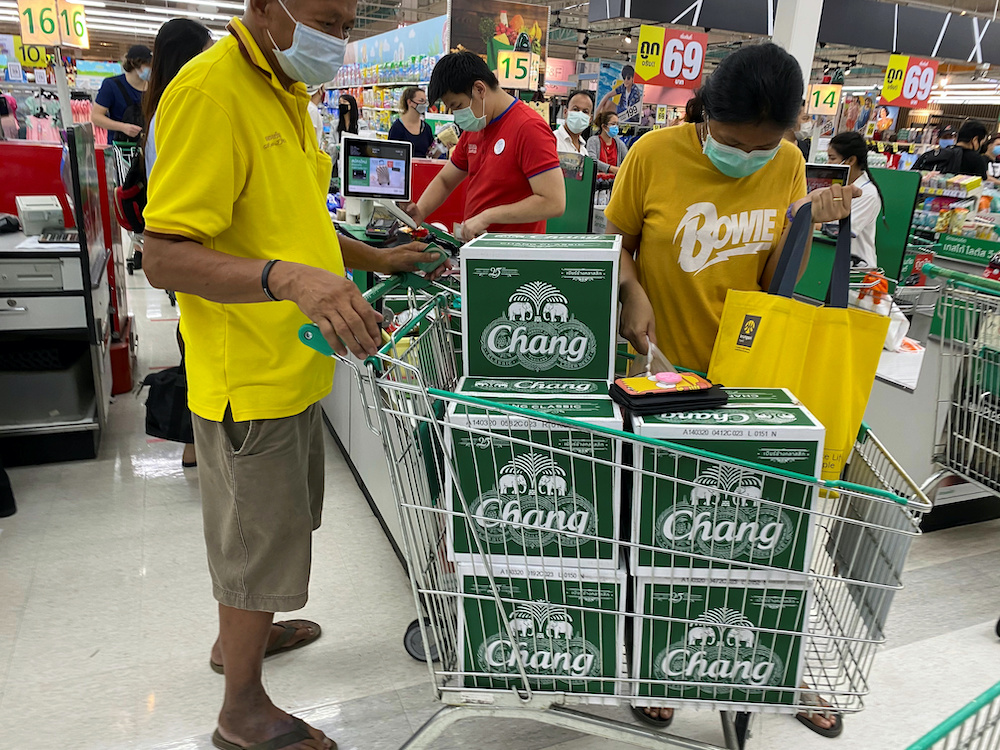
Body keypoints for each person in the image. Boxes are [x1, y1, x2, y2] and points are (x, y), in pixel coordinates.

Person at [141, 0, 449, 747]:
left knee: (276, 532)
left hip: (297, 360)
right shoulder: (211, 92)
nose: (335, 40)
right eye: (323, 19)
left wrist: (374, 258)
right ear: (261, 6)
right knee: (255, 540)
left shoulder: (284, 91)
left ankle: (239, 640)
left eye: (345, 25)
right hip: (248, 369)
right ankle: (241, 709)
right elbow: (164, 255)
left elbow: (296, 219)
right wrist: (287, 280)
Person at [606, 45, 858, 738]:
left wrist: (809, 217)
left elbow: (780, 273)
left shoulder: (785, 163)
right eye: (733, 141)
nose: (748, 155)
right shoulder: (654, 153)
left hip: (749, 377)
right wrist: (631, 293)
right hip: (663, 371)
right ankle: (658, 660)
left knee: (756, 534)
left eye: (765, 143)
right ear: (706, 115)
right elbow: (618, 241)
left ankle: (775, 663)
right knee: (663, 532)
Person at [141, 18, 213, 468]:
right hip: (191, 253)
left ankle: (194, 439)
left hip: (184, 251)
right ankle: (193, 440)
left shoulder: (158, 111)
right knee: (197, 341)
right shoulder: (184, 110)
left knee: (192, 334)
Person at [406, 51, 565, 238]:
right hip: (477, 251)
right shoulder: (476, 126)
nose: (457, 115)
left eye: (457, 106)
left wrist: (488, 216)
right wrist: (420, 211)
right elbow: (445, 181)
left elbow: (553, 202)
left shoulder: (529, 128)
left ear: (480, 89)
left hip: (511, 256)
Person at [827, 131, 884, 268]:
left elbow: (837, 231)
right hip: (832, 262)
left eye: (832, 158)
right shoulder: (836, 186)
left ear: (851, 160)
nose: (828, 163)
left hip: (857, 270)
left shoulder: (868, 194)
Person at [92, 44, 152, 145]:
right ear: (134, 63)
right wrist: (122, 127)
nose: (151, 69)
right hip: (120, 149)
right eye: (148, 65)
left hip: (147, 147)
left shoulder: (152, 88)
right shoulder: (111, 85)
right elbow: (96, 117)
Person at [388, 86, 435, 157]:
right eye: (421, 101)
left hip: (422, 167)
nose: (424, 104)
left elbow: (430, 155)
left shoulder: (426, 128)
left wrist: (442, 148)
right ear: (409, 102)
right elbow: (390, 154)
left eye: (425, 102)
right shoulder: (397, 128)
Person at [554, 89, 593, 156]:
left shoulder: (584, 151)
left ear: (590, 119)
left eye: (585, 111)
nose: (580, 114)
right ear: (565, 112)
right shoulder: (553, 140)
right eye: (575, 109)